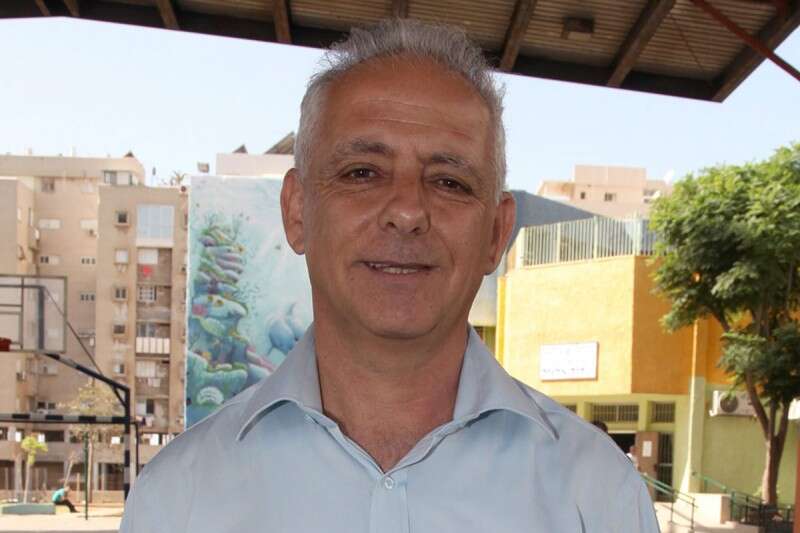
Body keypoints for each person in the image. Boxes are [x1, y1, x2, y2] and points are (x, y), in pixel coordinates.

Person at [121, 19, 659, 532]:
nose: (407, 211)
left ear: (496, 233)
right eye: (363, 173)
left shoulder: (596, 494)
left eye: (448, 182)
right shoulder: (178, 497)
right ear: (297, 211)